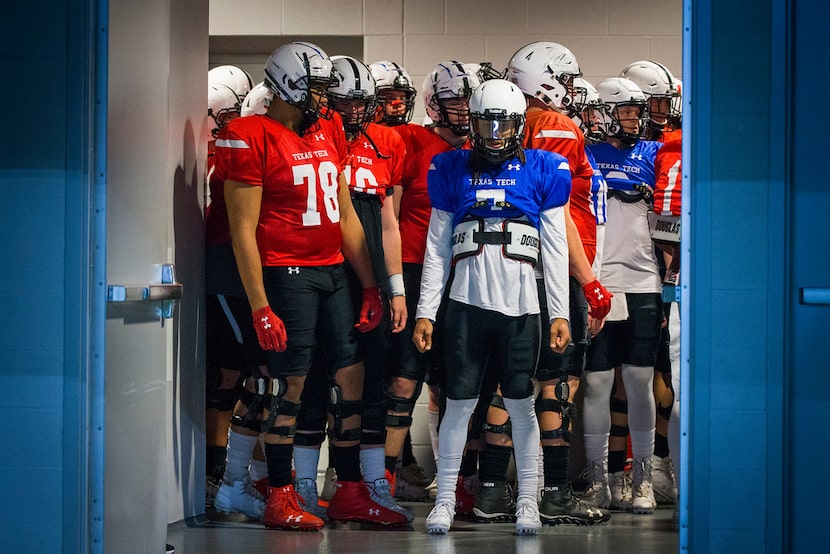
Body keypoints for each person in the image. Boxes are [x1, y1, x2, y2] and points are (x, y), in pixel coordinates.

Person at [214, 41, 385, 532]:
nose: (321, 97)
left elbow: (345, 211)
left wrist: (369, 284)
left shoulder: (329, 127)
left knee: (349, 376)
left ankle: (350, 488)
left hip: (331, 269)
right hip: (285, 273)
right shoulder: (249, 134)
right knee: (288, 385)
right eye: (313, 87)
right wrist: (259, 306)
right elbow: (243, 230)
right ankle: (280, 492)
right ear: (288, 85)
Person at [413, 78, 572, 536]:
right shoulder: (449, 167)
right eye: (487, 122)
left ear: (519, 124)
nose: (496, 133)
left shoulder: (545, 168)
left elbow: (556, 248)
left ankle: (527, 500)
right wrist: (427, 309)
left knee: (521, 404)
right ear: (473, 124)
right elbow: (438, 247)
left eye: (504, 123)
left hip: (522, 306)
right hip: (466, 303)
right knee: (459, 405)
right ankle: (443, 500)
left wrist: (558, 310)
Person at [290, 54, 411, 526]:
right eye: (346, 102)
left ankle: (368, 480)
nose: (356, 111)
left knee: (372, 378)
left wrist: (394, 288)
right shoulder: (315, 136)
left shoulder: (387, 142)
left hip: (370, 274)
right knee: (317, 377)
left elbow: (388, 223)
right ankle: (304, 479)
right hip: (322, 271)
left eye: (362, 102)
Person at [505, 41, 612, 526]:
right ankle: (550, 491)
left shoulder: (509, 121)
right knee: (557, 380)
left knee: (509, 378)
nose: (569, 91)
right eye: (564, 80)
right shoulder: (554, 125)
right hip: (553, 270)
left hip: (513, 267)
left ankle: (496, 489)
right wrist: (588, 280)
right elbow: (559, 209)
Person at [371, 61, 483, 506]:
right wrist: (393, 284)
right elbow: (389, 219)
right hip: (416, 270)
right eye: (456, 101)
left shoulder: (485, 147)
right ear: (435, 105)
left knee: (459, 380)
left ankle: (458, 480)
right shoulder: (409, 140)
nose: (465, 111)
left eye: (469, 102)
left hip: (466, 273)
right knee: (403, 379)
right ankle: (383, 479)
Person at [582, 76, 663, 515]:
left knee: (638, 380)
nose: (634, 118)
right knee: (596, 382)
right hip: (602, 277)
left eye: (637, 110)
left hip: (645, 277)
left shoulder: (653, 153)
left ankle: (643, 477)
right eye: (627, 111)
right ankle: (599, 479)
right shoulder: (590, 153)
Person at [204, 77, 272, 517]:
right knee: (247, 375)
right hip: (231, 272)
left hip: (251, 272)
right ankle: (221, 476)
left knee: (256, 378)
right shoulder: (241, 147)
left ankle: (247, 475)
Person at [618, 60, 683, 507]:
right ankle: (636, 465)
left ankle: (658, 460)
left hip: (663, 269)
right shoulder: (625, 150)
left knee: (665, 374)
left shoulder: (672, 144)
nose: (654, 111)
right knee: (628, 378)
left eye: (660, 102)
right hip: (636, 270)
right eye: (647, 103)